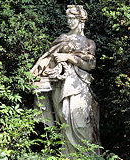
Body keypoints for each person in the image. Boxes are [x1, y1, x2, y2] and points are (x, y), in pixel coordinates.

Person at [31, 5, 100, 155]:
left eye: (72, 18)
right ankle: (68, 156)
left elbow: (90, 65)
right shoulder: (62, 39)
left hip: (80, 84)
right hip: (62, 84)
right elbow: (48, 60)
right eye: (67, 18)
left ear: (81, 20)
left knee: (80, 120)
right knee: (64, 117)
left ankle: (88, 156)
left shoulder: (89, 43)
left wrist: (68, 57)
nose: (69, 21)